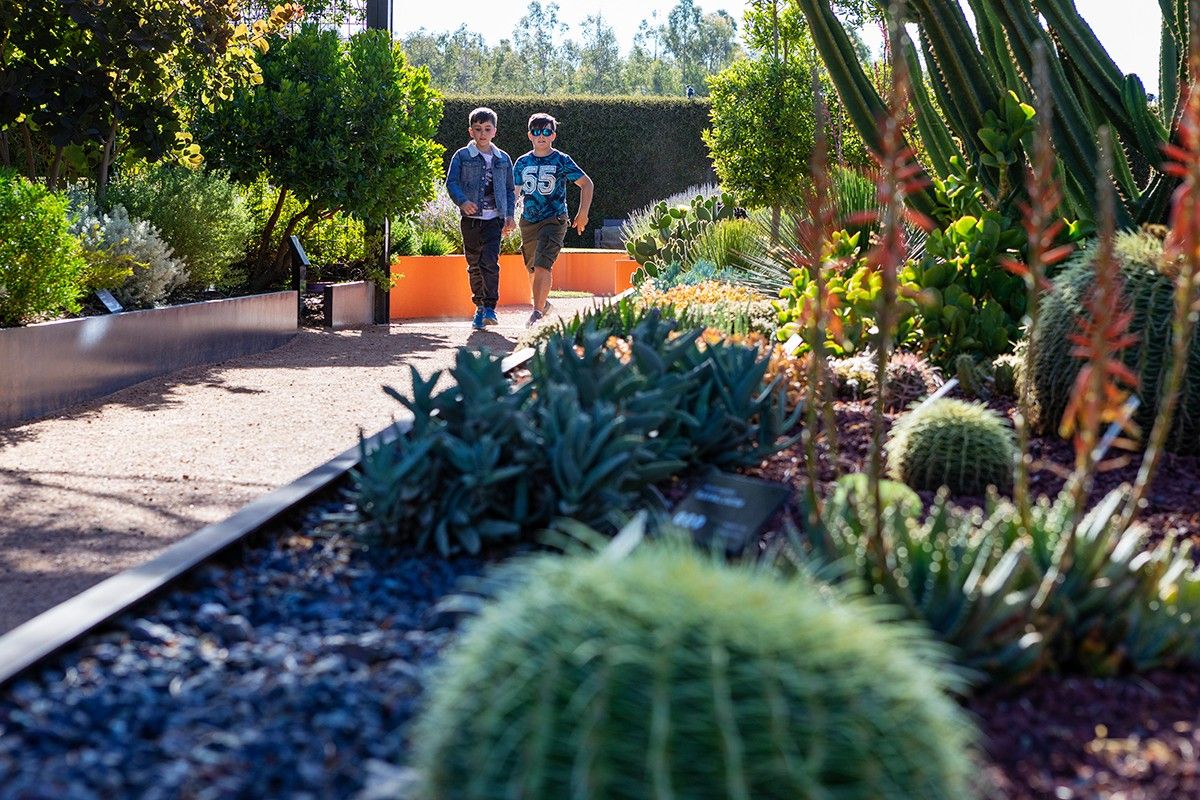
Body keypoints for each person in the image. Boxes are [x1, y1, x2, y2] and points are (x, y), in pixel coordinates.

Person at [513, 113, 594, 327]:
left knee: (542, 265)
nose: (542, 136)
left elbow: (587, 183)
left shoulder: (561, 160)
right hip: (528, 221)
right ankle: (544, 305)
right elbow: (514, 192)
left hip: (555, 219)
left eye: (546, 131)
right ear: (530, 135)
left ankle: (537, 312)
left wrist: (582, 213)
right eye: (537, 132)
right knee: (532, 268)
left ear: (553, 135)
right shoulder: (522, 162)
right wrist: (507, 218)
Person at [445, 107, 517, 330]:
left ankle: (490, 308)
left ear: (494, 131)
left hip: (494, 220)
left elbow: (509, 189)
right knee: (474, 264)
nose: (482, 133)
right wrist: (463, 201)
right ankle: (478, 307)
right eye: (478, 129)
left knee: (490, 262)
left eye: (487, 129)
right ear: (471, 131)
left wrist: (509, 216)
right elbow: (452, 182)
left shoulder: (502, 158)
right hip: (471, 220)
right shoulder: (463, 156)